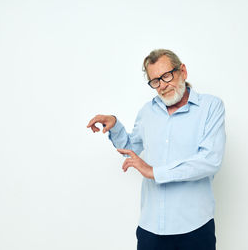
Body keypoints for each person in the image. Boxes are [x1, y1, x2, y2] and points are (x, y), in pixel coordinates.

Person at [86, 49, 226, 250]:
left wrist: (154, 172)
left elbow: (210, 160)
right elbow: (130, 149)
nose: (162, 86)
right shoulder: (147, 112)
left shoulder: (210, 107)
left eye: (166, 76)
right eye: (155, 81)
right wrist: (115, 125)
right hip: (150, 229)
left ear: (182, 71)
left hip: (194, 228)